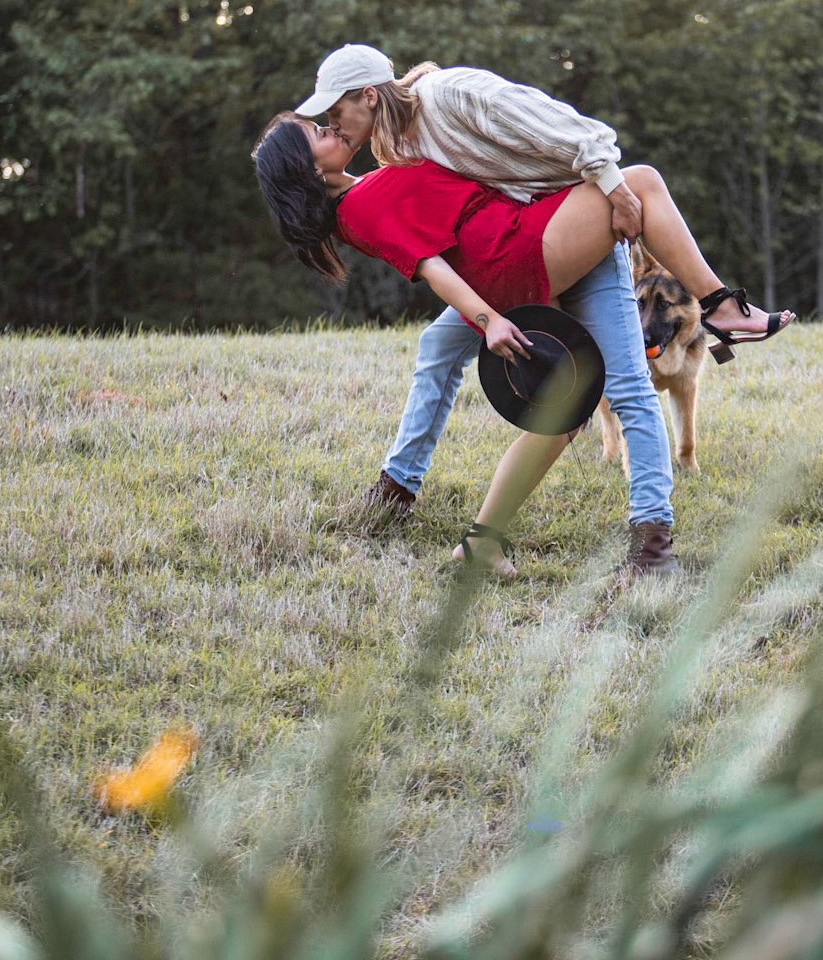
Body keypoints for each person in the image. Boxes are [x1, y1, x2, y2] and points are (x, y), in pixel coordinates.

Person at [253, 55, 793, 578]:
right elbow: (431, 266)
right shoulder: (360, 206)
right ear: (309, 168)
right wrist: (488, 320)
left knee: (568, 408)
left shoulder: (379, 170)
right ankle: (720, 308)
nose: (332, 128)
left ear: (369, 96)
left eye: (330, 118)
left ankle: (483, 543)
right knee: (644, 183)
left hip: (525, 245)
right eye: (320, 131)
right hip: (520, 249)